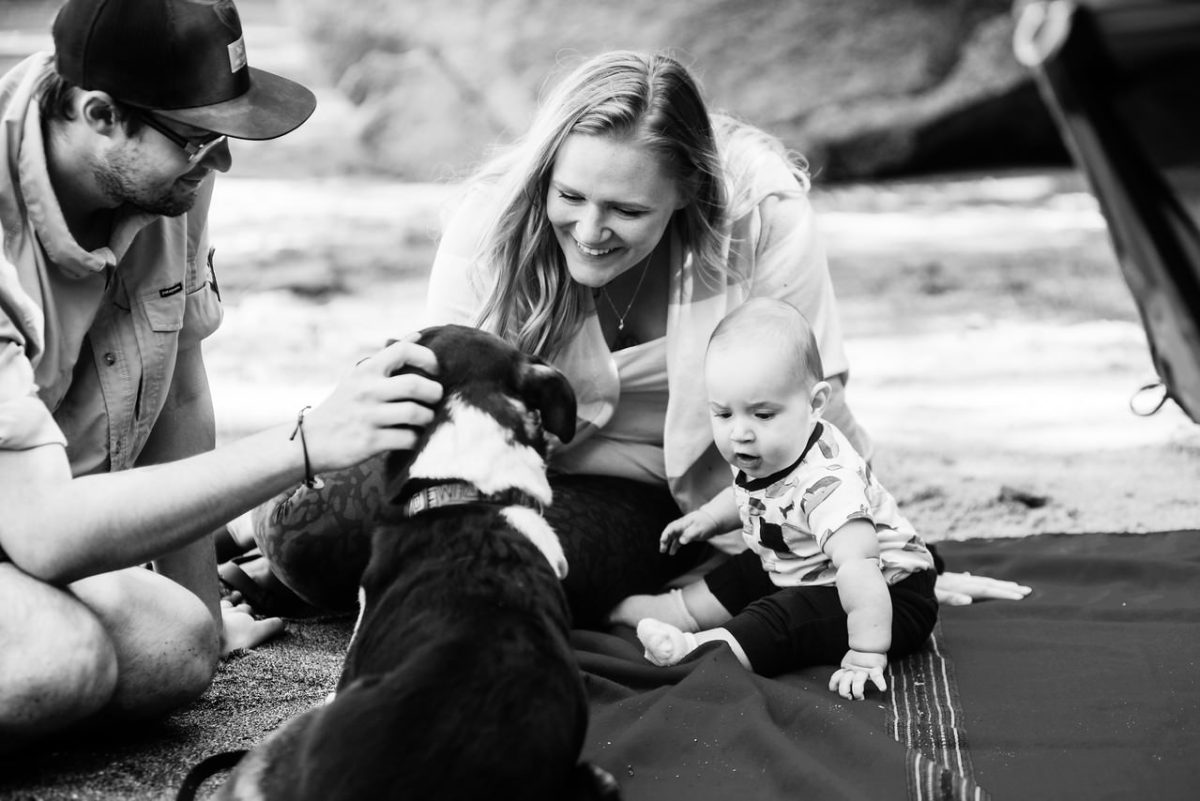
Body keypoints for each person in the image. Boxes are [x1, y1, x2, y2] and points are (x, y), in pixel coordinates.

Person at [240, 49, 1029, 628]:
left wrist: (880, 549)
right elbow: (444, 397)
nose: (590, 230)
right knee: (306, 536)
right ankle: (269, 553)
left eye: (626, 211)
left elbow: (807, 409)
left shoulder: (765, 219)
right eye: (572, 195)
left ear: (687, 194)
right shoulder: (493, 221)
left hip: (652, 494)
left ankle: (354, 582)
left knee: (510, 583)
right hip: (501, 462)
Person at [0, 0, 442, 751]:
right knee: (57, 658)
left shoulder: (164, 180)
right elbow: (42, 533)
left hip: (26, 515)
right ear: (102, 114)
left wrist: (204, 616)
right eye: (199, 137)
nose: (221, 161)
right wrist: (305, 442)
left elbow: (180, 386)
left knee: (174, 647)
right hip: (33, 523)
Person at [618, 299, 937, 699]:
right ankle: (678, 611)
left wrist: (866, 654)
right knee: (751, 566)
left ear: (816, 404)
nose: (740, 433)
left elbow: (859, 567)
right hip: (809, 564)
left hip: (888, 597)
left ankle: (704, 649)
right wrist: (707, 518)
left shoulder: (829, 487)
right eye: (723, 414)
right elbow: (749, 495)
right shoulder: (770, 448)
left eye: (762, 414)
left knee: (789, 616)